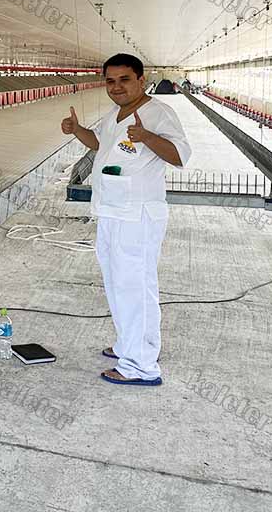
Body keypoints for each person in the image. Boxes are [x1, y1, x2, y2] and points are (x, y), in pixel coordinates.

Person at [61, 53, 191, 387]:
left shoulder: (158, 113)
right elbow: (100, 143)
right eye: (110, 81)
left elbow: (180, 156)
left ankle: (140, 366)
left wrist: (148, 137)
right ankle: (129, 345)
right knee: (119, 283)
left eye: (124, 80)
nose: (116, 87)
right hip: (112, 211)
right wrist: (77, 130)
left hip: (137, 215)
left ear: (141, 80)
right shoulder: (115, 113)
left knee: (134, 286)